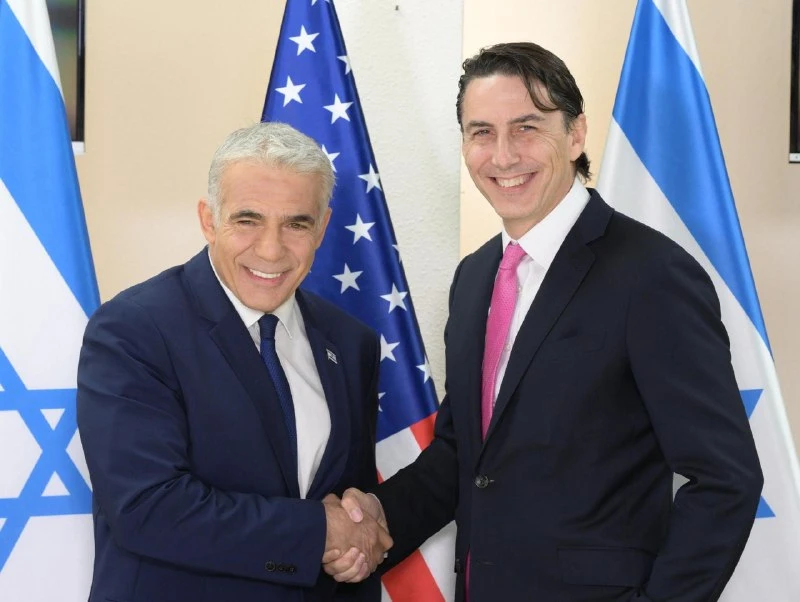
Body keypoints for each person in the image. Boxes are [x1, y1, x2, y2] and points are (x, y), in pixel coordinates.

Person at [327, 42, 763, 601]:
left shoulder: (651, 275)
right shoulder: (475, 278)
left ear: (576, 134)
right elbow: (464, 457)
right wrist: (374, 520)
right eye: (481, 131)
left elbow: (727, 479)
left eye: (527, 127)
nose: (503, 155)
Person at [76, 122, 391, 602]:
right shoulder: (133, 330)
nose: (270, 248)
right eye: (248, 219)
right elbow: (148, 508)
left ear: (323, 228)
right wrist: (318, 533)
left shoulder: (351, 342)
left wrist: (356, 528)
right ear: (208, 219)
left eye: (296, 223)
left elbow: (346, 499)